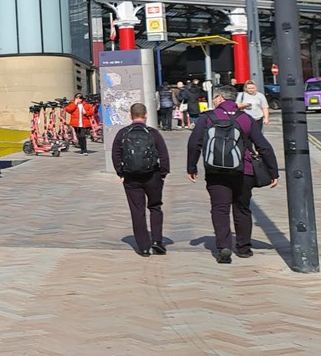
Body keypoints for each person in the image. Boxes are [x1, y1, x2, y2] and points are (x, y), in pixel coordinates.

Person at [187, 86, 280, 263]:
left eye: (214, 98)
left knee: (220, 208)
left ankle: (224, 247)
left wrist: (191, 167)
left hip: (216, 171)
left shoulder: (207, 117)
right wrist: (273, 171)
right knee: (242, 208)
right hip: (244, 170)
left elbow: (194, 144)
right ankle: (244, 248)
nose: (213, 101)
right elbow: (263, 146)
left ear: (220, 98)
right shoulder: (245, 118)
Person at [111, 103, 170, 257]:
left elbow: (115, 153)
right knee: (155, 207)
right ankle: (157, 241)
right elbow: (163, 153)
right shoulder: (153, 133)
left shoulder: (123, 133)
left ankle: (143, 247)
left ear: (131, 116)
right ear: (146, 115)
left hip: (131, 177)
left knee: (137, 211)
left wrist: (120, 172)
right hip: (153, 175)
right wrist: (163, 172)